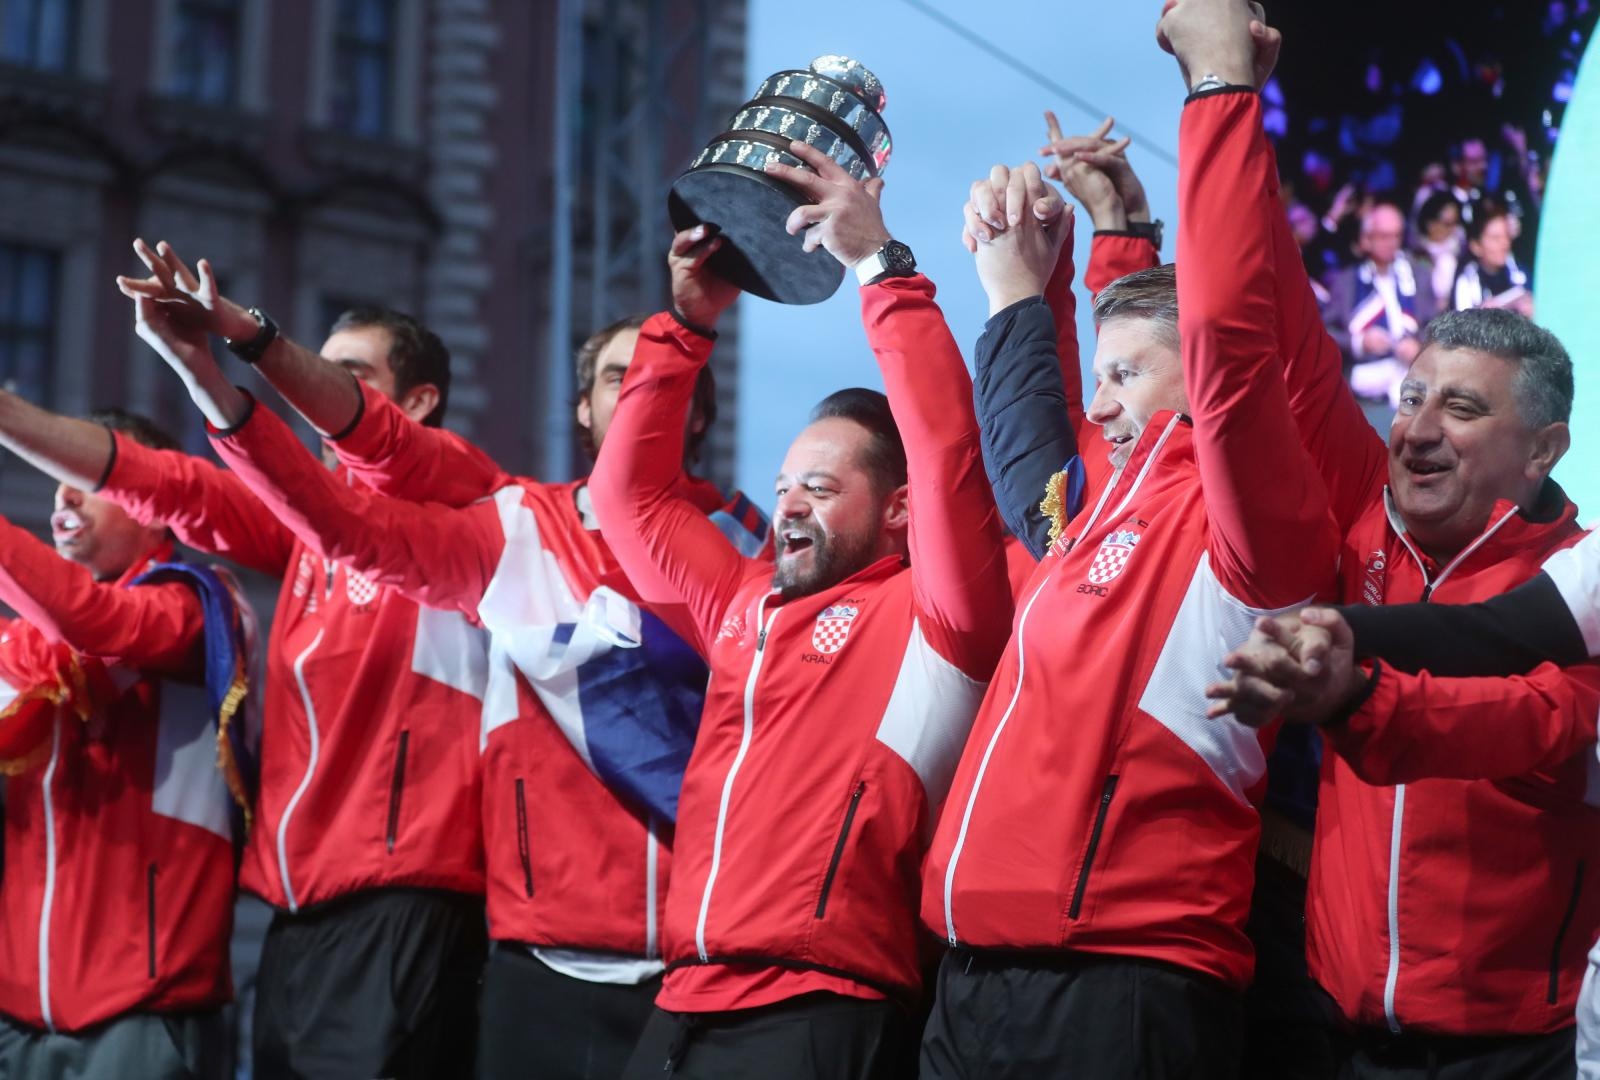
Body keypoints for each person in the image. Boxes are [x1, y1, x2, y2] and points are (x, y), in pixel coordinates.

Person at [115, 237, 769, 1080]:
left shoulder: (751, 553)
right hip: (537, 959)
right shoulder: (517, 526)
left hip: (700, 951)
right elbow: (349, 508)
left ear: (697, 407)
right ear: (582, 410)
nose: (639, 386)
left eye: (656, 373)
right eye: (616, 375)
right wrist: (216, 363)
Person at [920, 2, 1340, 1074]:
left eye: (1121, 378)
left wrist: (1217, 90)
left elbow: (1227, 337)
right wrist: (1062, 258)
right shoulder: (1103, 512)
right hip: (971, 971)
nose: (1095, 406)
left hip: (1124, 980)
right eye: (1095, 376)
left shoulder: (1255, 530)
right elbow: (1047, 441)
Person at [0, 248, 494, 1079]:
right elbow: (175, 487)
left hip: (407, 890)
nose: (312, 392)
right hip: (296, 899)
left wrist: (237, 339)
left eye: (349, 375)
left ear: (419, 402)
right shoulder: (310, 530)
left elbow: (102, 612)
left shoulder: (464, 496)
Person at [587, 138, 1012, 1078]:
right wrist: (684, 326)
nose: (787, 505)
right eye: (783, 484)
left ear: (899, 510)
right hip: (681, 998)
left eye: (820, 487)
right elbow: (628, 499)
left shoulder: (940, 619)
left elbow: (945, 454)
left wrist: (879, 266)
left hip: (819, 1008)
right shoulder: (744, 600)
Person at [0, 406, 260, 1080]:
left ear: (151, 504)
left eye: (80, 474)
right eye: (53, 478)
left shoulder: (198, 605)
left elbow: (95, 625)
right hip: (21, 1011)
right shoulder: (26, 645)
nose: (62, 492)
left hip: (148, 1007)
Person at [1324, 203, 1439, 409]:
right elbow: (1325, 332)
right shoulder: (1346, 282)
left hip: (1411, 372)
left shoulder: (1418, 276)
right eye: (1384, 236)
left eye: (1396, 236)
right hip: (1364, 377)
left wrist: (1419, 345)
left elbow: (1436, 324)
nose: (1391, 243)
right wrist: (1360, 342)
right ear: (1366, 239)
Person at [1453, 202, 1533, 316]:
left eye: (1506, 236)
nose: (1505, 244)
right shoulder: (1467, 280)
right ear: (1476, 246)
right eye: (1496, 238)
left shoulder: (1519, 271)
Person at [1412, 190, 1464, 308]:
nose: (1453, 229)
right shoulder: (1416, 256)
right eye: (1447, 223)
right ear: (1430, 224)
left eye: (1456, 223)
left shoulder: (1461, 253)